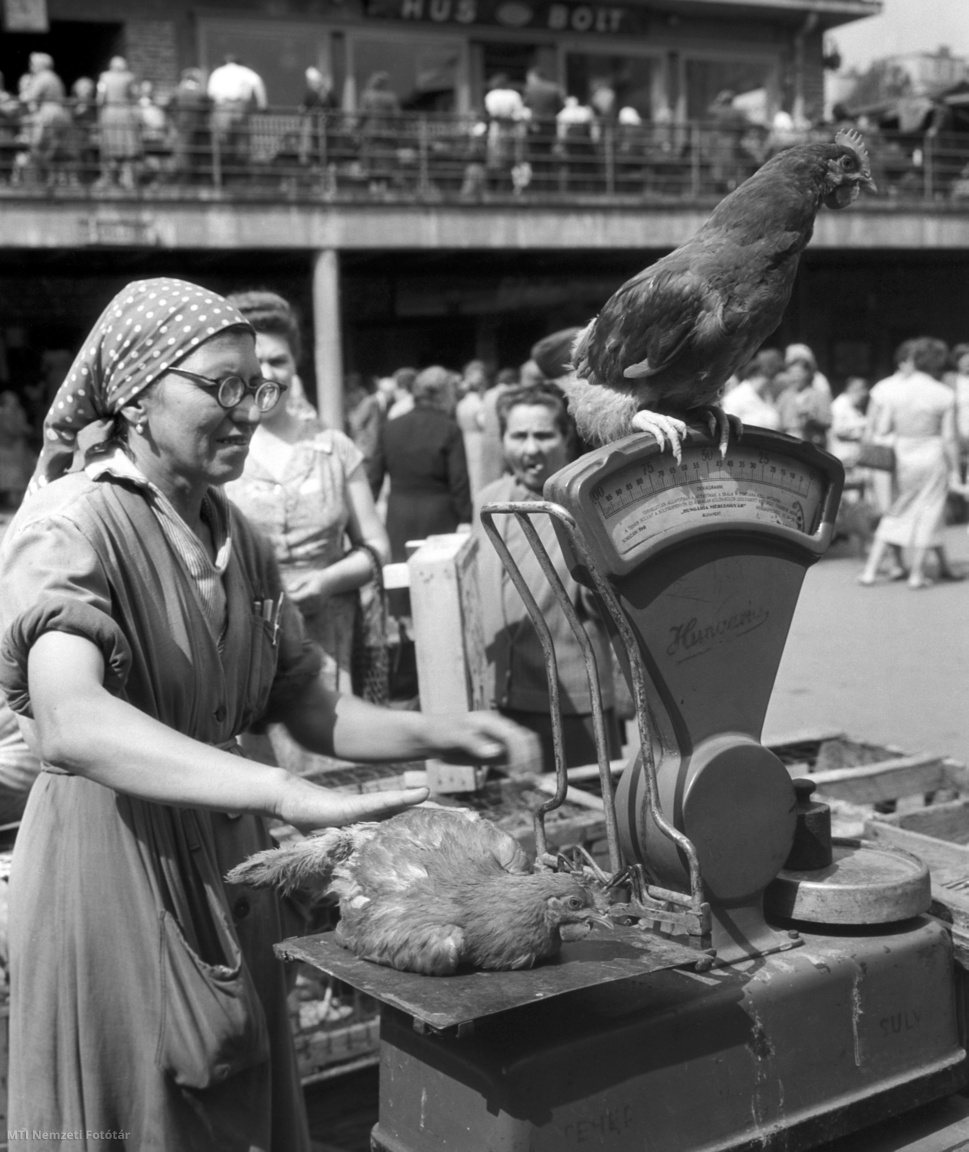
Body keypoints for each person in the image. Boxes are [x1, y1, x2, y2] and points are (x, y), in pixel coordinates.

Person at [0, 277, 529, 1148]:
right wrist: (278, 791)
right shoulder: (72, 525)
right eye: (224, 386)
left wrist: (441, 731)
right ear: (137, 395)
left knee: (233, 1080)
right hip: (113, 864)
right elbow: (72, 721)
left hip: (226, 860)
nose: (250, 410)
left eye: (261, 386)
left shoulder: (235, 535)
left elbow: (306, 701)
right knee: (143, 1101)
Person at [224, 289, 388, 722]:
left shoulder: (334, 449)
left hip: (331, 639)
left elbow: (375, 545)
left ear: (296, 365)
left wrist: (327, 581)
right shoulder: (220, 451)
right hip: (244, 642)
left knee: (335, 752)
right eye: (255, 362)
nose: (267, 373)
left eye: (278, 360)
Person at [474, 383, 619, 771]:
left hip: (575, 704)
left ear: (566, 437)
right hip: (501, 704)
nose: (530, 449)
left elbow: (614, 611)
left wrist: (622, 689)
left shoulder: (583, 503)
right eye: (518, 436)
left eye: (543, 435)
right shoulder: (488, 500)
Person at [858, 338, 962, 589]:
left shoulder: (895, 390)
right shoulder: (945, 394)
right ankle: (916, 574)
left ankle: (871, 570)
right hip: (932, 453)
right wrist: (956, 472)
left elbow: (881, 428)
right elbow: (949, 438)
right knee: (930, 512)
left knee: (897, 509)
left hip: (903, 453)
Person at [379, 365, 471, 562]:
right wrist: (466, 517)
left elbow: (373, 476)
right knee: (437, 578)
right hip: (440, 515)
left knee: (401, 577)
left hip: (398, 514)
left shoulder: (390, 428)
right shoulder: (449, 429)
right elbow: (459, 480)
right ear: (445, 394)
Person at [207, 54, 267, 180]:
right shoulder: (245, 72)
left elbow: (211, 93)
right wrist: (263, 105)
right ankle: (241, 170)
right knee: (241, 138)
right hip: (240, 107)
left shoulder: (218, 72)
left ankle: (224, 172)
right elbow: (257, 83)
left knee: (223, 138)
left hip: (222, 107)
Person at [95, 56, 142, 190]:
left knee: (110, 146)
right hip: (126, 112)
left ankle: (109, 178)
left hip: (109, 113)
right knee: (127, 146)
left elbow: (100, 98)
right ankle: (128, 179)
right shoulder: (129, 78)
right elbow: (134, 95)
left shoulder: (104, 77)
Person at [775, 349, 832, 448]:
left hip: (813, 444)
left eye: (799, 374)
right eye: (792, 374)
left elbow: (828, 421)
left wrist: (812, 420)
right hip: (788, 442)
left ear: (808, 374)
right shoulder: (785, 396)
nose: (795, 378)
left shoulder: (819, 395)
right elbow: (778, 420)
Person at [722, 355, 781, 430]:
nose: (769, 383)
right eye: (766, 378)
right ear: (755, 376)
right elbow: (729, 423)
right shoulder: (736, 396)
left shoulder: (767, 396)